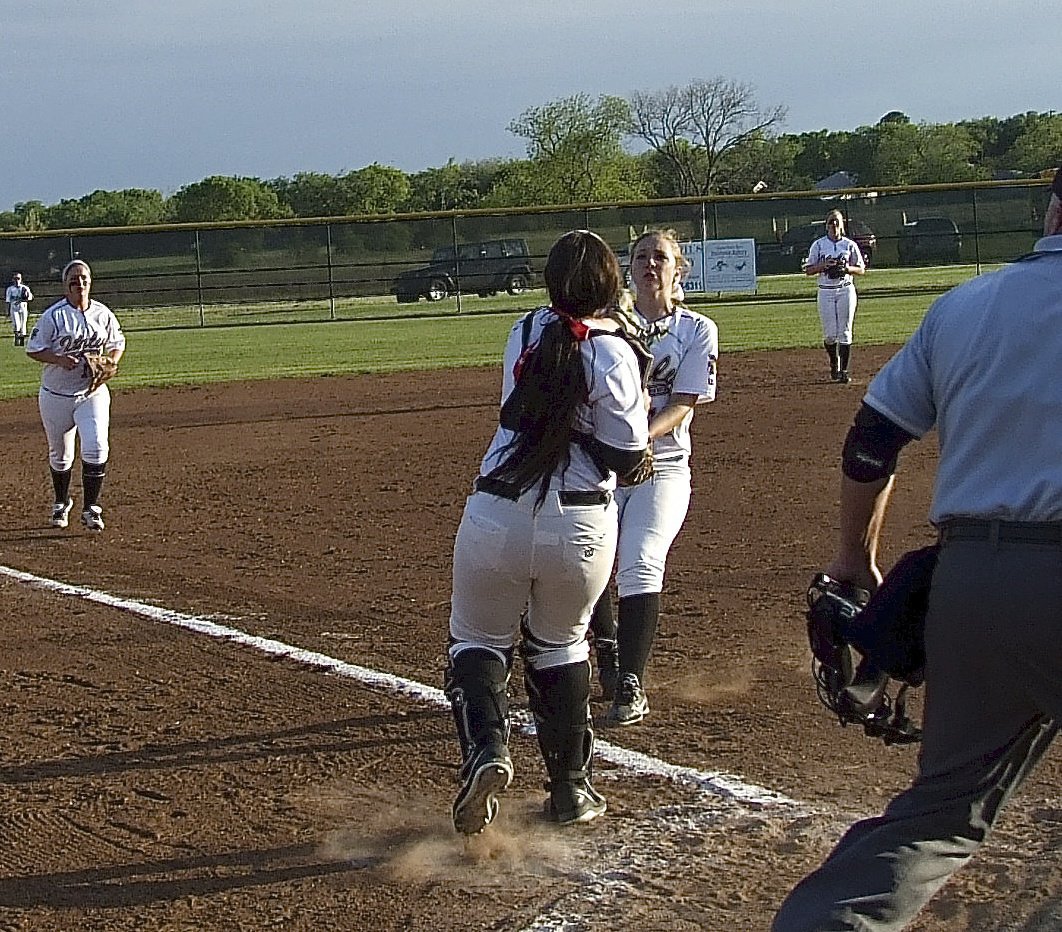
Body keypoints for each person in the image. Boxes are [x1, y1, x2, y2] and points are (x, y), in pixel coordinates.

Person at [772, 202, 1062, 930]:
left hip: (975, 586)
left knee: (939, 817)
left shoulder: (967, 305)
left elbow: (871, 441)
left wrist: (854, 559)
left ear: (1053, 210)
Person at [445, 229, 652, 835]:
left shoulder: (525, 332)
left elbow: (529, 409)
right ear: (613, 284)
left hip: (497, 512)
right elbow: (627, 454)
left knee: (477, 640)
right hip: (581, 522)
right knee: (562, 645)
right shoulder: (615, 352)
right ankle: (571, 790)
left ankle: (486, 748)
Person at [588, 229, 718, 726]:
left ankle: (630, 682)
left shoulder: (697, 329)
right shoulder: (606, 326)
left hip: (660, 467)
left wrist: (638, 435)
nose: (649, 264)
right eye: (640, 256)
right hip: (604, 467)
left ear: (678, 269)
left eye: (659, 257)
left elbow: (684, 404)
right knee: (591, 562)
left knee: (640, 561)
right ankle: (607, 654)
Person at [26, 260, 126, 532]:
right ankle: (61, 502)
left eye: (83, 278)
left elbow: (117, 343)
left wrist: (110, 361)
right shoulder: (53, 316)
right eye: (73, 279)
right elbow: (33, 349)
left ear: (90, 282)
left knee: (96, 447)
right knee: (60, 455)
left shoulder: (103, 314)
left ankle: (91, 508)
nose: (79, 283)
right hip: (56, 395)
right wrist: (58, 359)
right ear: (65, 285)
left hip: (91, 393)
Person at [804, 209, 866, 383]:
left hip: (845, 289)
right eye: (831, 221)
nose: (834, 225)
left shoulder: (849, 245)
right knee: (830, 334)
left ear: (842, 225)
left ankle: (844, 371)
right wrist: (824, 265)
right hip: (825, 291)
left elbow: (861, 269)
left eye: (837, 221)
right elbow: (808, 270)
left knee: (845, 332)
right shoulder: (818, 245)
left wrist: (846, 269)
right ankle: (834, 362)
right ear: (826, 225)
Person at [6, 271, 33, 346]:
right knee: (16, 324)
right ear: (13, 280)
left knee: (23, 324)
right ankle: (16, 339)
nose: (16, 280)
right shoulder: (10, 289)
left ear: (21, 279)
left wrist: (25, 297)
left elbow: (30, 298)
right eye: (15, 279)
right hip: (14, 308)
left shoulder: (25, 288)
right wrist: (7, 311)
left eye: (18, 278)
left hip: (23, 307)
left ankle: (21, 342)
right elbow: (8, 300)